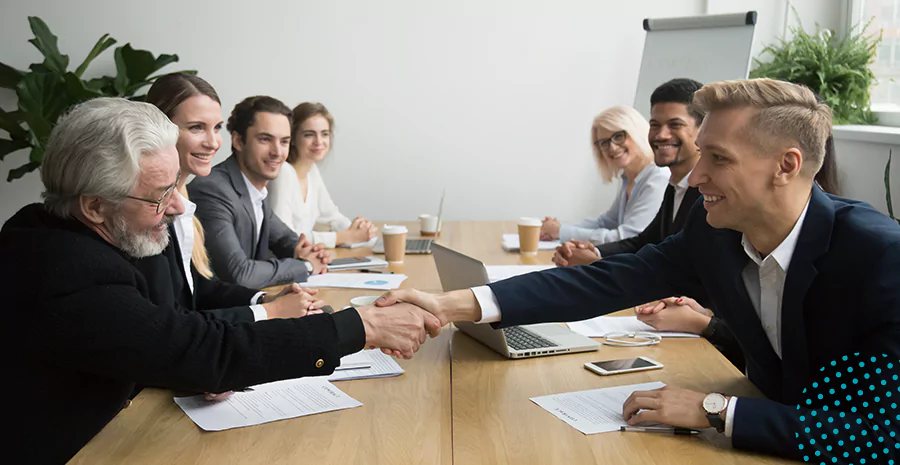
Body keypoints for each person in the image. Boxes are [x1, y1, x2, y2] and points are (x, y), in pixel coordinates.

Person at [376, 79, 900, 461]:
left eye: (717, 158)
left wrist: (715, 411)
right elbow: (606, 280)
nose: (695, 177)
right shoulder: (712, 233)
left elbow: (877, 435)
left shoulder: (880, 259)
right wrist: (452, 304)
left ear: (785, 165)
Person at [2, 97, 440, 464]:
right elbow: (198, 345)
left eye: (177, 184)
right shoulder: (67, 271)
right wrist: (361, 327)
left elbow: (155, 336)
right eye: (160, 196)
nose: (178, 207)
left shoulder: (68, 231)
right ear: (95, 206)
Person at [135, 73, 318, 323]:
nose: (212, 143)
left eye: (216, 128)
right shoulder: (146, 209)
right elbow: (174, 319)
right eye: (197, 128)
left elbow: (195, 287)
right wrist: (271, 308)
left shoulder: (184, 197)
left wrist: (264, 300)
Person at [188, 96, 330, 289]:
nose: (277, 152)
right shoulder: (212, 189)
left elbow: (283, 238)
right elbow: (240, 274)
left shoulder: (255, 188)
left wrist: (308, 251)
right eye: (265, 139)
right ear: (238, 141)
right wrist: (305, 265)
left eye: (284, 141)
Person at [539, 106, 669, 245]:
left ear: (637, 133)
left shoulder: (657, 178)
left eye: (618, 136)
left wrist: (560, 231)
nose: (612, 147)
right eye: (604, 143)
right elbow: (606, 223)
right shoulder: (629, 177)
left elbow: (628, 237)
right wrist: (559, 229)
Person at [269, 102, 378, 248]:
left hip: (302, 261)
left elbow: (332, 216)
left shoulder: (311, 171)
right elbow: (286, 237)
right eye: (309, 135)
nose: (319, 142)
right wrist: (344, 237)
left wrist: (360, 230)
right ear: (293, 138)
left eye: (324, 134)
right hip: (282, 265)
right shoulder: (283, 173)